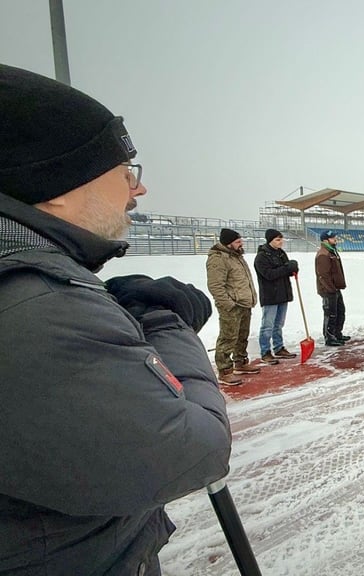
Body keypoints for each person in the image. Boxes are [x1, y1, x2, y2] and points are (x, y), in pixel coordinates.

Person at [0, 64, 231, 574]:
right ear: (54, 185)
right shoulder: (39, 306)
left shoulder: (40, 288)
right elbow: (195, 447)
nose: (137, 189)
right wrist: (165, 321)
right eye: (125, 171)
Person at [207, 227, 260, 382]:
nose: (241, 243)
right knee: (228, 337)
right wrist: (229, 304)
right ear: (228, 243)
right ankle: (224, 370)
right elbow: (216, 285)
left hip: (244, 303)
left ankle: (241, 362)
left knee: (242, 336)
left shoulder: (236, 256)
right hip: (231, 305)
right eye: (237, 241)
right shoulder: (218, 258)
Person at [253, 228, 299, 364]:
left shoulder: (280, 253)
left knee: (279, 324)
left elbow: (286, 270)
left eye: (281, 239)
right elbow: (269, 274)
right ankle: (265, 351)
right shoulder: (261, 257)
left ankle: (278, 347)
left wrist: (293, 268)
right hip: (270, 295)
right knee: (268, 325)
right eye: (278, 240)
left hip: (283, 293)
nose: (281, 242)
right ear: (270, 241)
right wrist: (287, 268)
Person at [315, 230, 350, 345]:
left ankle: (337, 333)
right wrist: (331, 289)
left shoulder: (331, 251)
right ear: (326, 240)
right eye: (333, 238)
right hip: (328, 290)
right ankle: (329, 337)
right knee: (331, 313)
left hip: (335, 288)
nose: (335, 239)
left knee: (340, 311)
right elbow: (323, 275)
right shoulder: (323, 254)